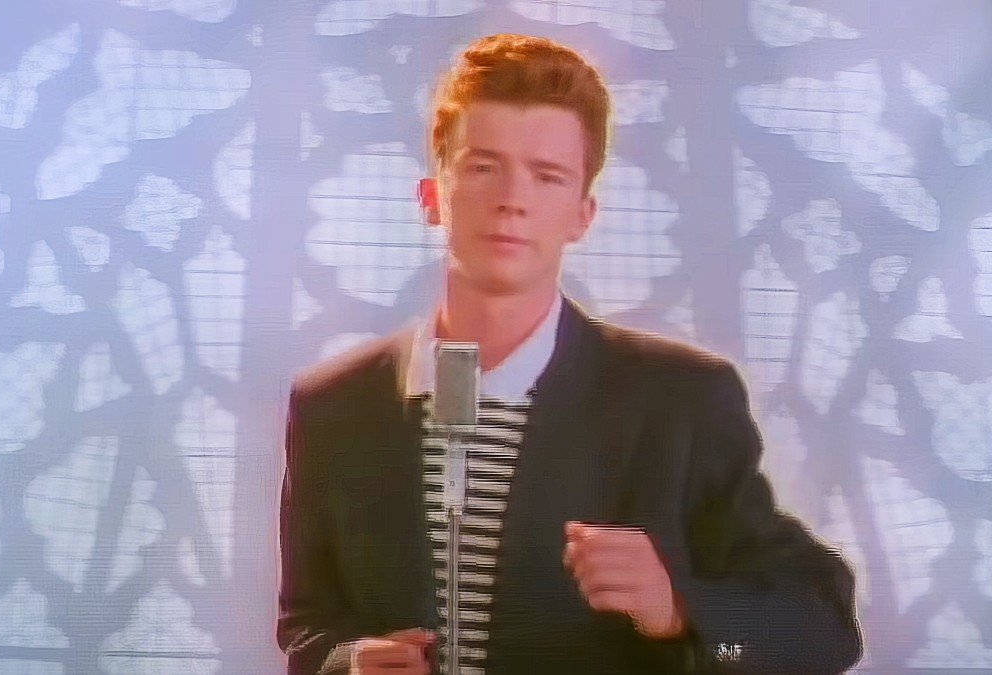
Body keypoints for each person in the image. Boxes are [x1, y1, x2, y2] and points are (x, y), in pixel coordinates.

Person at [278, 33, 862, 675]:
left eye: (547, 175)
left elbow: (822, 634)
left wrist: (678, 612)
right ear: (432, 197)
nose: (512, 199)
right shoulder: (332, 406)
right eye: (482, 166)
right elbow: (306, 625)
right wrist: (346, 663)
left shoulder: (679, 401)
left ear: (582, 215)